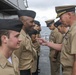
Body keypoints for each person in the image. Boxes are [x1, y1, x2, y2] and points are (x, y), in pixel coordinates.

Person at [37, 5, 76, 75]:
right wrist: (46, 43)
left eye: (61, 17)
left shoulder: (74, 31)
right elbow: (64, 47)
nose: (60, 21)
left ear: (69, 15)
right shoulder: (71, 30)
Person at [14, 10, 36, 75]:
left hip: (28, 69)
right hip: (22, 71)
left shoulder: (26, 35)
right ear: (23, 22)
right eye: (31, 22)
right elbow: (15, 58)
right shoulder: (20, 38)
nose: (33, 24)